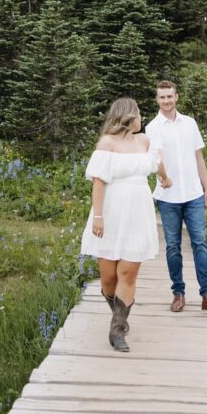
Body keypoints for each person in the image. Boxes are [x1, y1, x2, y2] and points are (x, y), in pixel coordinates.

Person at [80, 97, 171, 352]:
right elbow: (98, 182)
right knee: (108, 277)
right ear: (128, 116)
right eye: (139, 113)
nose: (142, 118)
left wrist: (165, 178)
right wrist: (98, 217)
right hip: (110, 211)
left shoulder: (144, 141)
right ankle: (117, 312)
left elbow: (157, 161)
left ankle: (118, 330)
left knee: (128, 273)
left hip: (138, 213)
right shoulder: (107, 143)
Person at [145, 80, 207, 312]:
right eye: (162, 97)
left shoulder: (190, 123)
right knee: (173, 246)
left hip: (193, 195)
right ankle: (178, 293)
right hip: (168, 196)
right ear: (157, 100)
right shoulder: (152, 128)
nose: (167, 101)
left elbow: (198, 157)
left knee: (200, 242)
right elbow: (157, 158)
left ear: (176, 97)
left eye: (170, 96)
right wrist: (164, 178)